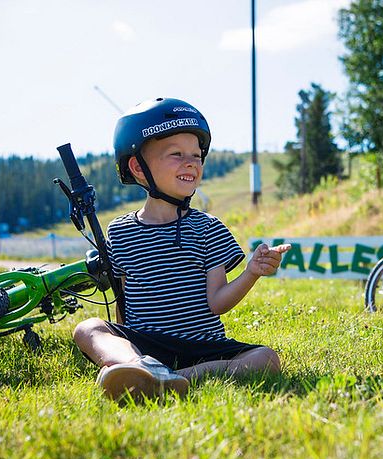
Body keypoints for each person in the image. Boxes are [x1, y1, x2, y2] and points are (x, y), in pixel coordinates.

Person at [73, 97, 290, 401]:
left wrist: (251, 273)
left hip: (203, 347)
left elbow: (217, 303)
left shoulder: (208, 228)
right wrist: (126, 347)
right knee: (88, 328)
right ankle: (136, 366)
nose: (191, 162)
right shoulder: (119, 232)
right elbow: (125, 304)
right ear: (137, 167)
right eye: (176, 154)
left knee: (266, 358)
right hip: (148, 347)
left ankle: (171, 378)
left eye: (197, 155)